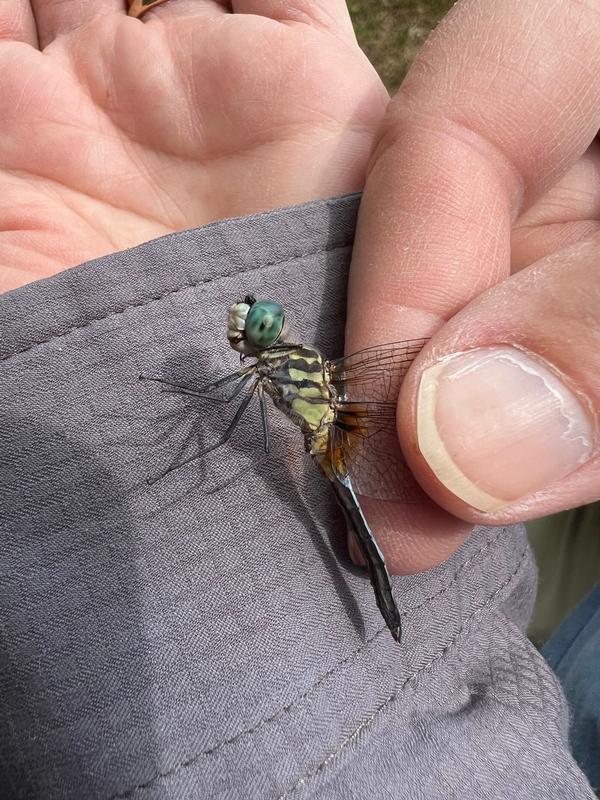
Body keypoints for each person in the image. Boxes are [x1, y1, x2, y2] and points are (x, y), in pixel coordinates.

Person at [0, 1, 598, 798]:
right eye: (256, 320)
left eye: (257, 319)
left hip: (337, 453)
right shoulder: (290, 362)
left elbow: (218, 416)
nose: (249, 321)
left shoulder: (262, 371)